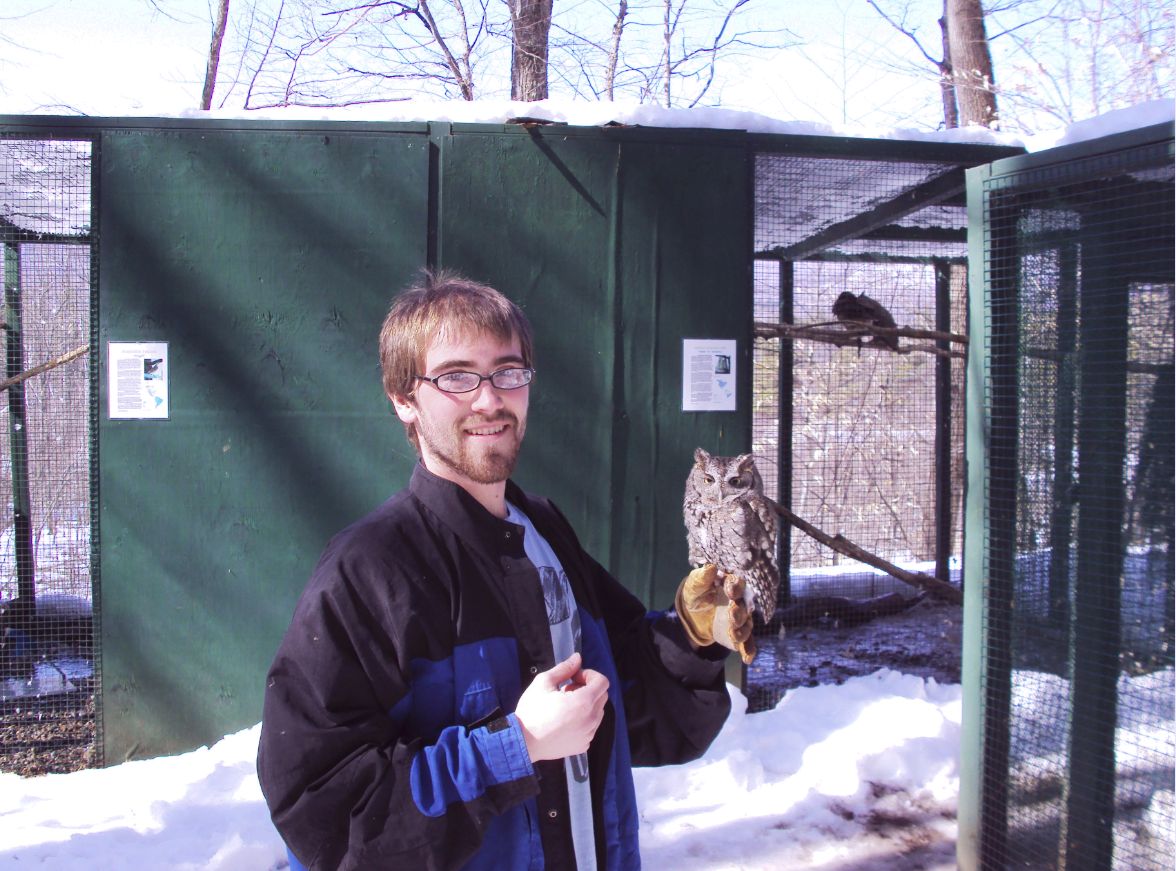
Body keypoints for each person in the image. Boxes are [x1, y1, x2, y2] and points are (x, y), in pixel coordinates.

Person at [256, 270, 753, 870]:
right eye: (457, 376)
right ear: (403, 400)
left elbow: (624, 704)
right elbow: (326, 814)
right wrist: (516, 747)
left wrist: (693, 637)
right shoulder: (369, 570)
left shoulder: (543, 532)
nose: (490, 399)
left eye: (508, 372)